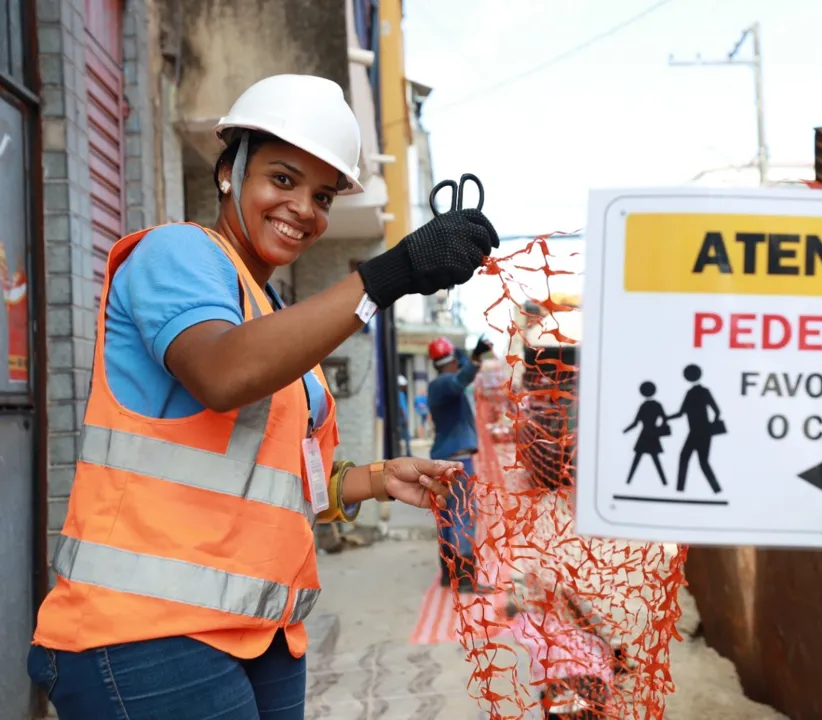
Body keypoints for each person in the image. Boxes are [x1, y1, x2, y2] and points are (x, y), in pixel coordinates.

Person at [25, 74, 500, 718]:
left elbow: (280, 482)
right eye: (283, 180)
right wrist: (391, 274)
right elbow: (222, 375)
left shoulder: (269, 310)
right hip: (144, 633)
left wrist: (379, 479)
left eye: (323, 195)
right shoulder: (177, 253)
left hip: (261, 634)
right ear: (230, 171)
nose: (305, 208)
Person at [427, 335, 493, 591]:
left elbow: (461, 372)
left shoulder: (437, 384)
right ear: (452, 361)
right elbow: (460, 380)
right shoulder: (444, 384)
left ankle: (448, 574)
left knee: (446, 517)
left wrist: (466, 355)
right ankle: (465, 579)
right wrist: (474, 358)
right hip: (458, 463)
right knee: (463, 517)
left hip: (443, 461)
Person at [667, 363, 723, 494]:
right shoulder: (697, 392)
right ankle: (682, 489)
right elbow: (717, 412)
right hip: (699, 432)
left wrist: (666, 418)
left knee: (695, 460)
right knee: (693, 459)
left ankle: (715, 489)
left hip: (699, 432)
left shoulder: (695, 393)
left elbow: (681, 413)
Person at [623, 381, 669, 486]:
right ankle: (664, 482)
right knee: (653, 460)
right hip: (651, 435)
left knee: (639, 459)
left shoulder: (644, 406)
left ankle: (629, 481)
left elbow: (635, 423)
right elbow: (665, 419)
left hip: (645, 435)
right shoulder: (656, 405)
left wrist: (626, 430)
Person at [398, 374, 412, 456]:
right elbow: (401, 408)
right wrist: (405, 418)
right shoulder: (399, 394)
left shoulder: (401, 393)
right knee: (405, 436)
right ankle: (407, 453)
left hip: (402, 417)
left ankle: (407, 452)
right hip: (402, 418)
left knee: (405, 436)